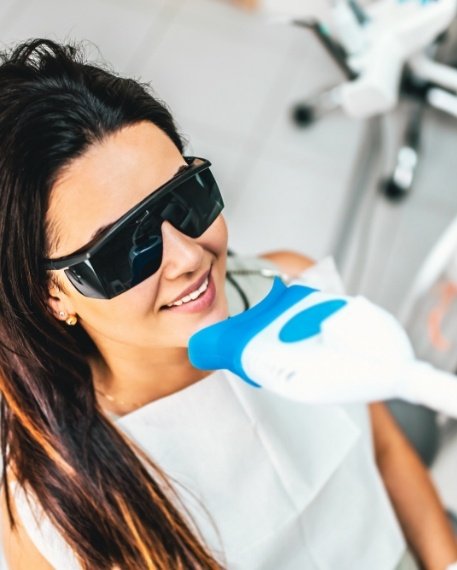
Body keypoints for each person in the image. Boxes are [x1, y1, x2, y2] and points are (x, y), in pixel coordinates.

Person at [0, 38, 455, 570]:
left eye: (184, 198)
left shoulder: (286, 280)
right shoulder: (47, 512)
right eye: (126, 247)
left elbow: (384, 451)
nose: (190, 257)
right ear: (51, 294)